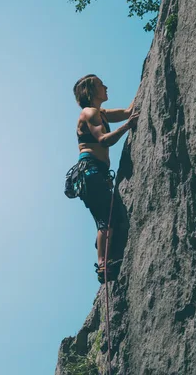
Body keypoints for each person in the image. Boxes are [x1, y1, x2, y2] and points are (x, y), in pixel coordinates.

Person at [73, 74, 139, 283]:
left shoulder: (100, 113)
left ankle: (101, 250)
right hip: (90, 172)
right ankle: (103, 264)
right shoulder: (90, 113)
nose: (106, 87)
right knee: (105, 219)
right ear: (90, 91)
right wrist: (127, 126)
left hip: (96, 174)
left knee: (107, 216)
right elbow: (103, 140)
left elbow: (129, 111)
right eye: (101, 85)